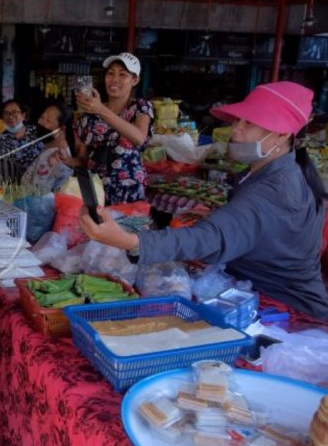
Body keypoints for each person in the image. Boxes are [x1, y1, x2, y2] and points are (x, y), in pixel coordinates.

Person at [79, 81, 328, 320]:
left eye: (249, 123)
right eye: (237, 120)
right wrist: (224, 216)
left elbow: (208, 238)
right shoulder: (280, 169)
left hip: (285, 310)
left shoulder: (276, 189)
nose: (235, 129)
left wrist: (128, 241)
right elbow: (259, 225)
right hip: (263, 295)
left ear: (281, 136)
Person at [66, 52, 154, 204]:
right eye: (111, 73)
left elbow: (139, 137)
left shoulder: (140, 107)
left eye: (123, 74)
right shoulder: (88, 117)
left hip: (127, 191)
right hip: (95, 192)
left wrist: (101, 109)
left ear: (135, 80)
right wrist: (69, 160)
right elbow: (85, 159)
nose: (114, 79)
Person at [21, 102, 75, 193]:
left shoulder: (55, 156)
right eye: (42, 117)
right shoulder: (51, 147)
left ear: (61, 129)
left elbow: (37, 192)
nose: (41, 122)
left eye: (48, 121)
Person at [0, 99, 43, 183]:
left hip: (40, 179)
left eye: (15, 112)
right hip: (15, 183)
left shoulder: (36, 132)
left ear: (23, 115)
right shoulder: (1, 139)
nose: (10, 116)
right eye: (6, 113)